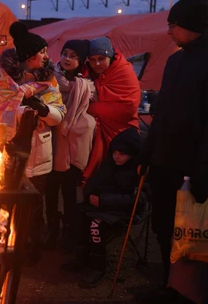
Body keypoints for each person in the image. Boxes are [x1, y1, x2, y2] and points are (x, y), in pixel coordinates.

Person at [139, 0, 208, 299]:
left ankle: (192, 292)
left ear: (192, 25)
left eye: (174, 24)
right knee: (164, 227)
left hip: (193, 168)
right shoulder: (176, 61)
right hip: (164, 163)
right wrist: (148, 151)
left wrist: (205, 171)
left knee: (193, 233)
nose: (169, 30)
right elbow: (164, 112)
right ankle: (169, 282)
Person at [0, 21, 66, 265]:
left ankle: (33, 249)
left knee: (34, 205)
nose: (46, 56)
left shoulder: (49, 80)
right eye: (42, 52)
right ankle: (6, 247)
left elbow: (59, 114)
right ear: (29, 57)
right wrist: (22, 109)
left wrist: (43, 109)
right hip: (9, 151)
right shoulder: (0, 80)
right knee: (7, 201)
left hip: (38, 152)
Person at [61, 127, 143, 288]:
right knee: (77, 216)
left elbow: (137, 201)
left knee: (95, 225)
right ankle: (82, 257)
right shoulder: (109, 164)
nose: (116, 156)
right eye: (114, 152)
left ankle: (98, 266)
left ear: (132, 155)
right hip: (100, 206)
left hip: (120, 211)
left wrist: (103, 200)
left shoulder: (138, 172)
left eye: (122, 154)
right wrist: (90, 194)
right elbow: (93, 182)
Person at [45, 39, 96, 251]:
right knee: (49, 190)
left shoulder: (86, 87)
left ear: (81, 60)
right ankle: (51, 230)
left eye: (73, 56)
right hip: (50, 142)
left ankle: (69, 233)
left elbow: (86, 117)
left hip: (70, 145)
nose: (67, 59)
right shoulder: (49, 78)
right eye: (65, 53)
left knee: (68, 192)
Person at [83, 36, 141, 181]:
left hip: (122, 131)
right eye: (92, 59)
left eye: (101, 58)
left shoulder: (123, 72)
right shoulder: (89, 73)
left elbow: (128, 107)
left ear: (110, 56)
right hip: (100, 130)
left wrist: (91, 108)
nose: (96, 63)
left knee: (119, 176)